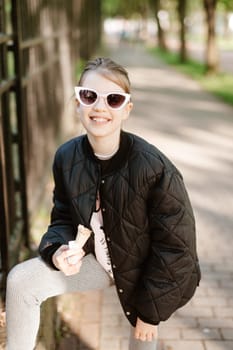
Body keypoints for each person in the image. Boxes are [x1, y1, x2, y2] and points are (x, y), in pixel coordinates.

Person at [6, 57, 201, 350]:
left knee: (143, 335)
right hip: (97, 258)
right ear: (77, 104)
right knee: (21, 281)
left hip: (145, 270)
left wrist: (150, 313)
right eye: (89, 96)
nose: (100, 107)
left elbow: (177, 248)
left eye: (113, 99)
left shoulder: (154, 168)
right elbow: (62, 217)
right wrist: (57, 250)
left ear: (127, 110)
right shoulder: (67, 157)